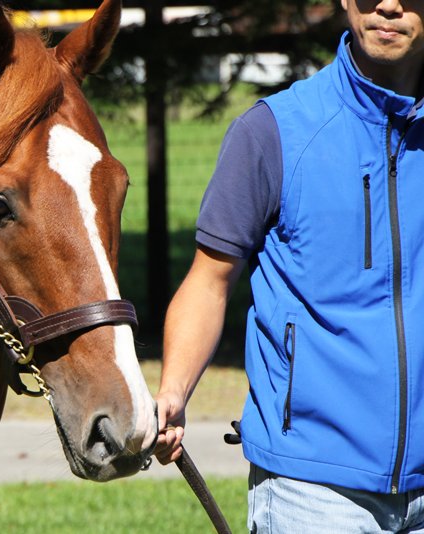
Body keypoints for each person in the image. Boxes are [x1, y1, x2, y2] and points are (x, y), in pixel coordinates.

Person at [154, 0, 424, 531]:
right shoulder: (273, 131)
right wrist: (173, 391)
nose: (388, 4)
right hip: (311, 492)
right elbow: (209, 281)